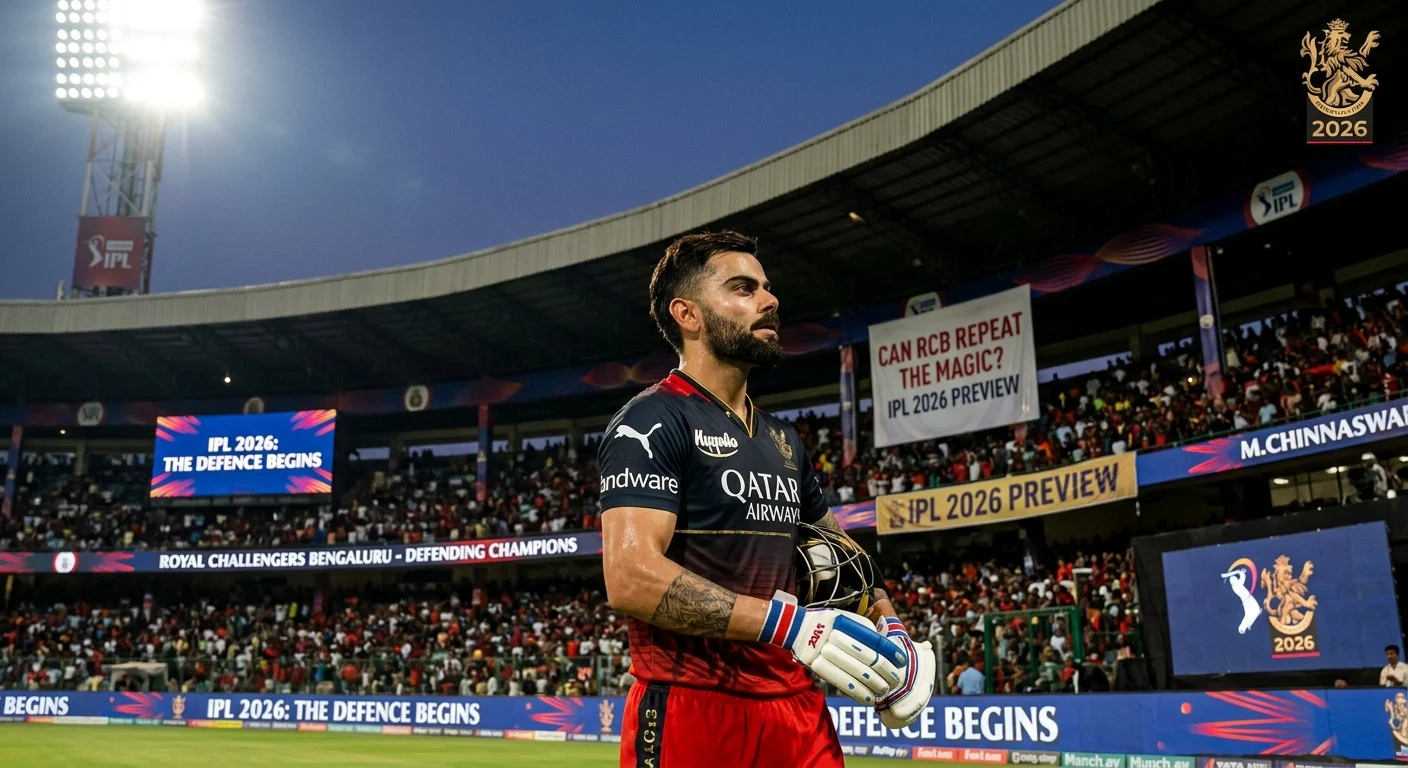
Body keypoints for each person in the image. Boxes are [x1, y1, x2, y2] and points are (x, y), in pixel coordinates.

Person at [600, 232, 933, 768]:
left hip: (799, 712)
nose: (769, 300)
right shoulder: (652, 419)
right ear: (688, 314)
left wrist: (889, 623)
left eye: (767, 287)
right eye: (742, 287)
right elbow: (630, 575)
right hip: (693, 710)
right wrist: (791, 625)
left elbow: (838, 552)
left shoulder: (784, 439)